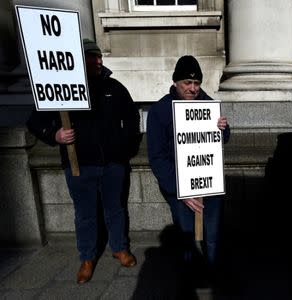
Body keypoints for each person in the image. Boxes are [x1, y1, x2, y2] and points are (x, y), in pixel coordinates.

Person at [26, 38, 141, 284]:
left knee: (116, 209)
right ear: (79, 60)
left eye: (99, 56)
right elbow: (35, 122)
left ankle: (119, 248)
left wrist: (125, 148)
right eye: (92, 57)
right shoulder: (61, 88)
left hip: (113, 165)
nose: (99, 61)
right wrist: (54, 135)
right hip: (79, 165)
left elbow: (132, 118)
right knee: (85, 214)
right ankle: (87, 258)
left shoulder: (114, 87)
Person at [146, 55, 230, 278]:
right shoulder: (160, 111)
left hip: (209, 184)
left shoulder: (208, 104)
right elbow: (156, 157)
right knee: (186, 238)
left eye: (197, 83)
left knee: (212, 235)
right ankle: (190, 278)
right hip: (180, 189)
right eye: (187, 83)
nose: (193, 88)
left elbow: (221, 139)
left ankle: (212, 274)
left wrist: (223, 128)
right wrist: (181, 191)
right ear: (175, 82)